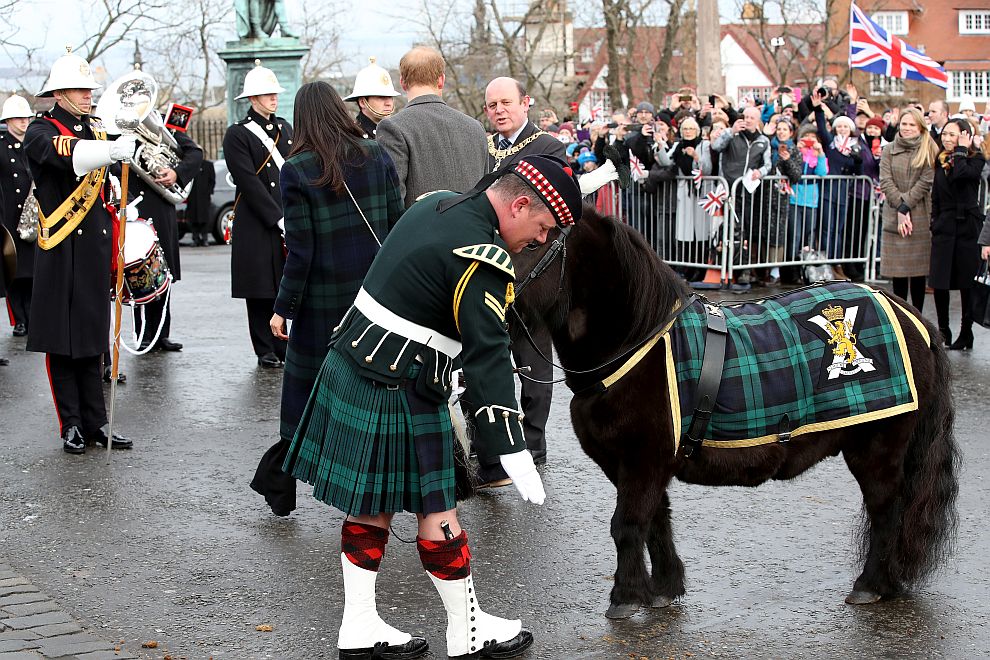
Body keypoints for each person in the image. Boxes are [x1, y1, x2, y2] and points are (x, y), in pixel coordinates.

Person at [282, 154, 582, 660]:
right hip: (399, 382)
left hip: (356, 363)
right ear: (521, 203)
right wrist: (511, 448)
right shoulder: (483, 253)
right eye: (542, 227)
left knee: (370, 506)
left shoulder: (438, 206)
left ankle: (359, 624)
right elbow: (489, 353)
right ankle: (466, 630)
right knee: (438, 511)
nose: (541, 240)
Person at [252, 81, 404, 518]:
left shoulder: (297, 168)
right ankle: (372, 484)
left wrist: (283, 307)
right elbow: (396, 227)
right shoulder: (375, 154)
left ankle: (279, 482)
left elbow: (301, 250)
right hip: (376, 295)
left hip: (324, 300)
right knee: (373, 390)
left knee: (309, 398)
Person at [23, 48, 136, 453]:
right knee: (62, 340)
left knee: (91, 337)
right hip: (60, 246)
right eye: (79, 89)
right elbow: (66, 156)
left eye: (89, 89)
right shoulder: (41, 130)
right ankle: (70, 423)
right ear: (59, 93)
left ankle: (97, 422)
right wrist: (109, 150)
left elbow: (109, 183)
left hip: (93, 247)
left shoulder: (99, 128)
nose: (88, 95)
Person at [482, 76, 565, 474]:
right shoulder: (483, 147)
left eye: (505, 102)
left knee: (533, 361)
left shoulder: (548, 147)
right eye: (491, 105)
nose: (498, 110)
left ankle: (534, 444)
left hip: (534, 268)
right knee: (489, 359)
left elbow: (558, 213)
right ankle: (496, 444)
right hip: (489, 266)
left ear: (525, 103)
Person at [122, 81, 204, 353]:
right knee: (139, 272)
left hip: (162, 207)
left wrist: (176, 174)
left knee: (164, 272)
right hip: (137, 209)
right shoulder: (119, 130)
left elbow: (195, 153)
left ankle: (161, 333)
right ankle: (143, 333)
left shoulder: (165, 125)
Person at [222, 60, 293, 368]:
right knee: (260, 287)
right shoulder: (237, 134)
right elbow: (248, 180)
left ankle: (283, 345)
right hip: (257, 219)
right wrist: (276, 217)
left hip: (286, 215)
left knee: (283, 284)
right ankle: (264, 348)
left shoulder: (285, 129)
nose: (273, 99)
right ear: (252, 99)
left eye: (274, 93)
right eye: (266, 94)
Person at [375, 46, 487, 208]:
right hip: (473, 231)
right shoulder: (476, 128)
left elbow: (392, 200)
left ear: (402, 83)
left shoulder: (393, 128)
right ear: (441, 80)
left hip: (419, 231)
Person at [930, 118, 986, 350]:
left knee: (966, 282)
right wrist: (935, 220)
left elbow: (962, 176)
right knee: (940, 280)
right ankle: (943, 330)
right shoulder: (940, 159)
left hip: (967, 226)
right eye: (945, 134)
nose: (946, 139)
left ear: (965, 135)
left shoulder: (976, 158)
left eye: (952, 135)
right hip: (945, 224)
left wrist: (962, 150)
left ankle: (966, 331)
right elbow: (936, 193)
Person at [879, 107, 938, 311]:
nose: (907, 128)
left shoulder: (929, 148)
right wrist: (900, 208)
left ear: (920, 127)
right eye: (904, 123)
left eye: (912, 124)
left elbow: (926, 180)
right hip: (894, 214)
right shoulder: (888, 150)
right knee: (899, 273)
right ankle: (901, 317)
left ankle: (918, 317)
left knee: (918, 273)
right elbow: (885, 180)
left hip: (920, 214)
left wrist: (906, 206)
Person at [710, 106, 771, 287]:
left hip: (748, 192)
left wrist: (760, 172)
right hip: (728, 191)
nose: (748, 120)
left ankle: (744, 269)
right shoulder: (733, 135)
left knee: (746, 229)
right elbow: (716, 146)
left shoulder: (763, 141)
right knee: (728, 229)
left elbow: (767, 164)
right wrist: (730, 132)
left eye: (752, 117)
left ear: (758, 120)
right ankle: (725, 268)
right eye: (746, 116)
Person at [812, 89, 863, 278]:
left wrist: (858, 161)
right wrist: (818, 109)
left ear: (850, 130)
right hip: (828, 192)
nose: (842, 129)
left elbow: (859, 173)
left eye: (845, 127)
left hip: (842, 193)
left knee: (839, 230)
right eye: (839, 127)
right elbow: (821, 128)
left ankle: (836, 261)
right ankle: (826, 263)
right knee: (827, 229)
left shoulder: (853, 148)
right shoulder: (830, 144)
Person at [0, 94, 35, 338]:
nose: (24, 122)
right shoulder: (1, 145)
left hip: (32, 216)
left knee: (33, 271)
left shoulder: (33, 144)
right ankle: (19, 319)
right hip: (9, 215)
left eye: (26, 118)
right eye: (19, 118)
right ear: (8, 120)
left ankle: (32, 316)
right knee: (13, 272)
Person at [344, 57, 400, 139]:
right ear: (362, 102)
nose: (389, 103)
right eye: (381, 97)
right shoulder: (354, 135)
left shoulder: (393, 131)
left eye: (390, 97)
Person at [186, 160, 215, 246]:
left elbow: (212, 180)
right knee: (193, 218)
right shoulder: (192, 165)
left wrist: (208, 192)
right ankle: (196, 238)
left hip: (204, 197)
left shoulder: (208, 165)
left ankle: (205, 238)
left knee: (204, 218)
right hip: (193, 197)